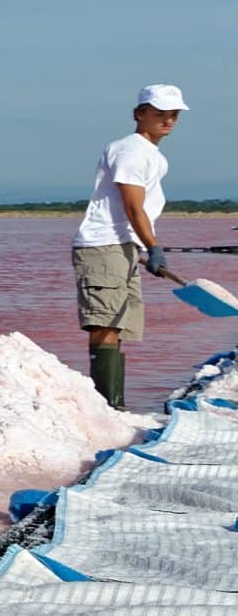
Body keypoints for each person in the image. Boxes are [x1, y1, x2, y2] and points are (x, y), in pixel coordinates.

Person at [72, 84, 186, 409]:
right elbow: (133, 208)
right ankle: (107, 408)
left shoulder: (152, 154)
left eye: (173, 115)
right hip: (104, 244)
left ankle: (114, 405)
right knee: (105, 323)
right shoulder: (131, 151)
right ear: (139, 114)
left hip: (124, 247)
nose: (167, 120)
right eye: (159, 113)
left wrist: (140, 249)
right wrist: (154, 247)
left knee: (118, 323)